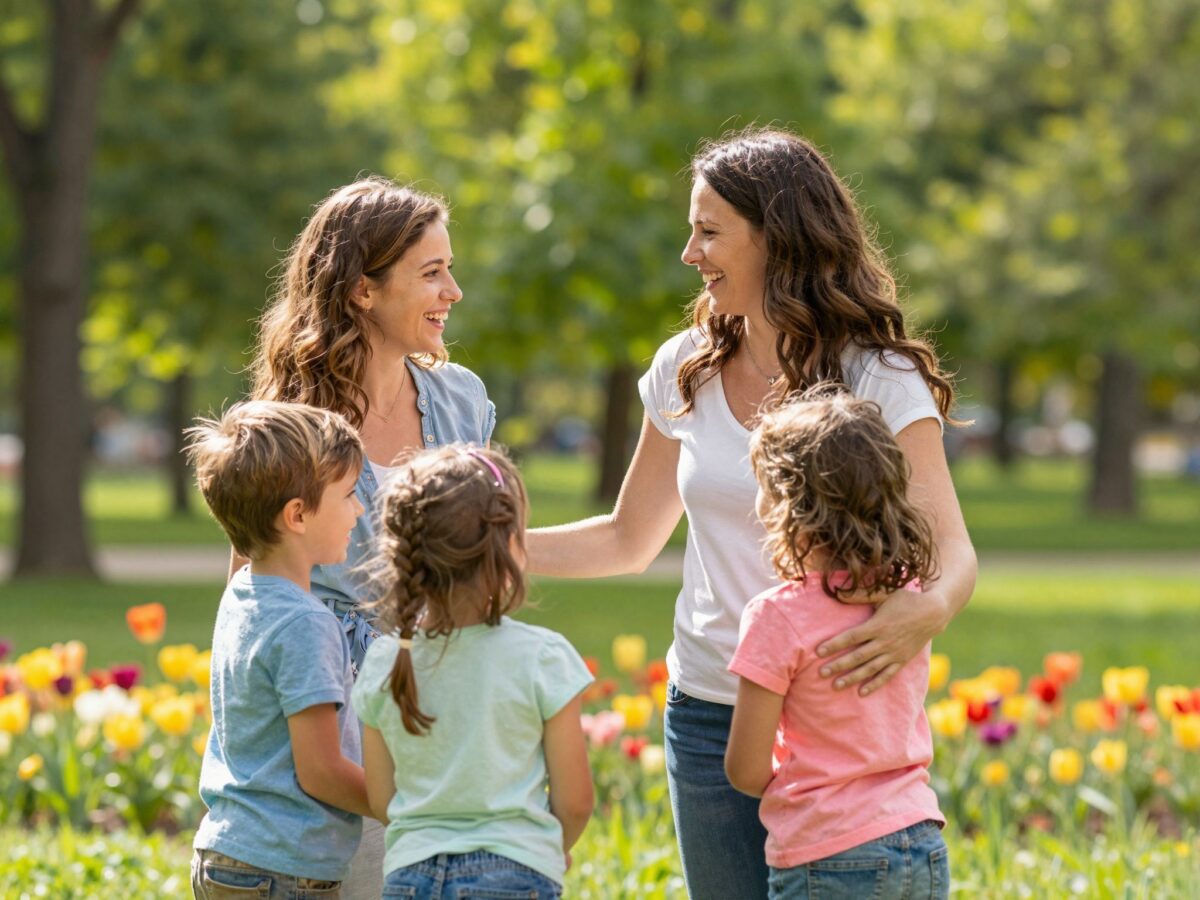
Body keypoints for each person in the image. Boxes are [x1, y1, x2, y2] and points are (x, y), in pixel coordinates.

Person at [526, 127, 976, 897]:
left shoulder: (877, 373)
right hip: (709, 717)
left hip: (832, 722)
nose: (689, 254)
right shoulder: (685, 367)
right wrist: (481, 548)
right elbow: (629, 538)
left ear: (779, 239)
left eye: (709, 232)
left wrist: (923, 613)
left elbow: (953, 550)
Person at [245, 177, 497, 897]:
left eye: (450, 268)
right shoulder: (286, 424)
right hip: (327, 703)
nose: (453, 291)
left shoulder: (461, 399)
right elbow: (255, 593)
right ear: (362, 291)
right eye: (431, 273)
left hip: (438, 693)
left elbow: (480, 562)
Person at [725, 389, 948, 900]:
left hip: (828, 854)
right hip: (920, 840)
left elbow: (745, 768)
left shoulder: (776, 616)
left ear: (788, 506)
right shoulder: (906, 598)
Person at [351, 445, 594, 900]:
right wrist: (548, 848)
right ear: (509, 549)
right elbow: (576, 800)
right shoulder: (542, 657)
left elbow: (382, 800)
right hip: (516, 874)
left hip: (408, 877)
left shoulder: (385, 661)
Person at [186, 400, 372, 899]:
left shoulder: (243, 593)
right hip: (280, 872)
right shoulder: (306, 623)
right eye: (350, 496)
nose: (358, 511)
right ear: (297, 515)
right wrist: (411, 805)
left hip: (229, 855)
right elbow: (321, 771)